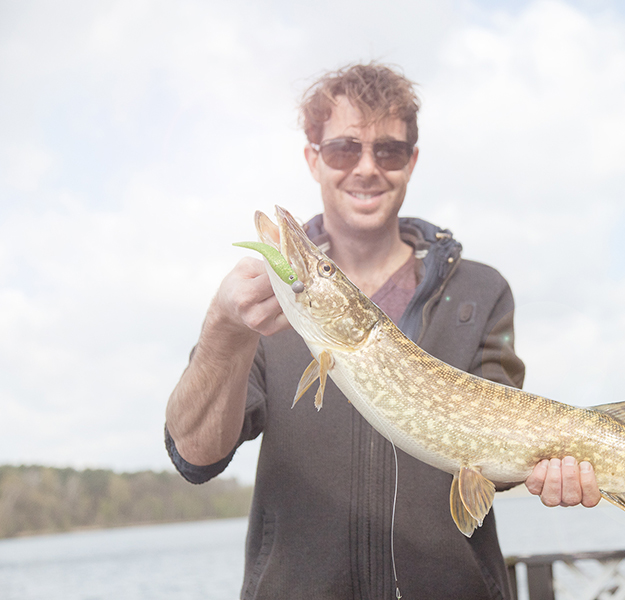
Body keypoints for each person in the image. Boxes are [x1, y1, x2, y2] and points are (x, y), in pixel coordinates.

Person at [165, 62, 600, 600]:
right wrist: (223, 328)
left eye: (388, 150)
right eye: (345, 149)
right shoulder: (264, 305)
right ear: (314, 158)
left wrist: (557, 467)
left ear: (411, 162)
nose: (367, 168)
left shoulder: (480, 291)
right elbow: (195, 455)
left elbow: (499, 449)